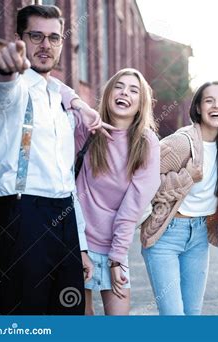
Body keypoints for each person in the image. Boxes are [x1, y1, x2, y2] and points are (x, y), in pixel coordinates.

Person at [0, 5, 111, 314]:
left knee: (70, 319)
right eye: (36, 36)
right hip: (20, 215)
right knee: (25, 322)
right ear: (19, 39)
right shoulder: (15, 89)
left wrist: (78, 245)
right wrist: (4, 67)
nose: (46, 45)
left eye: (54, 37)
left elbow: (68, 181)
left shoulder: (60, 97)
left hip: (64, 218)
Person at [64, 68, 160, 315]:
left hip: (114, 247)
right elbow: (52, 89)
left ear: (141, 104)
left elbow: (133, 206)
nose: (124, 93)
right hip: (77, 243)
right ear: (108, 94)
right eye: (119, 86)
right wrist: (81, 106)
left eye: (133, 90)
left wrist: (117, 257)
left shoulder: (146, 142)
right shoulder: (88, 129)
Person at [140, 81, 218, 315]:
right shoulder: (181, 142)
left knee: (192, 315)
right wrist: (186, 177)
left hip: (199, 236)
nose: (216, 106)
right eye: (209, 100)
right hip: (166, 235)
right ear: (197, 108)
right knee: (174, 316)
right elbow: (144, 182)